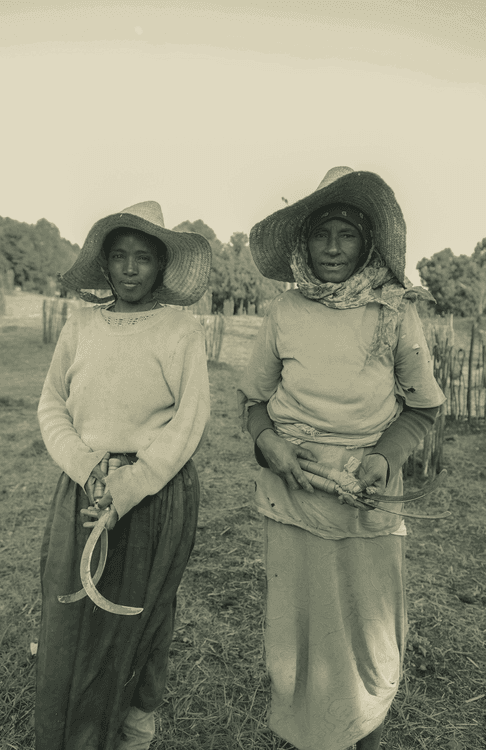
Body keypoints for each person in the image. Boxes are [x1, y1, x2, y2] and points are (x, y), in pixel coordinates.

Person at [238, 166, 445, 750]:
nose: (332, 248)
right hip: (292, 491)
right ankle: (310, 736)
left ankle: (363, 733)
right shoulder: (285, 311)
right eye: (321, 234)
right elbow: (253, 400)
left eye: (346, 234)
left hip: (368, 495)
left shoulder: (395, 312)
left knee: (369, 635)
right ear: (303, 242)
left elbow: (423, 408)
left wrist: (384, 458)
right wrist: (269, 444)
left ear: (368, 242)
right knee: (301, 634)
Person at [36, 200, 212, 750]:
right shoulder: (81, 323)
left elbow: (190, 420)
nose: (130, 269)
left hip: (153, 496)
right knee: (71, 618)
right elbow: (51, 406)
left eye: (143, 258)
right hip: (82, 491)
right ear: (105, 265)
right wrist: (89, 469)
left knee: (139, 620)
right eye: (119, 256)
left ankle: (132, 734)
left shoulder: (181, 330)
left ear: (161, 267)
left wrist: (130, 486)